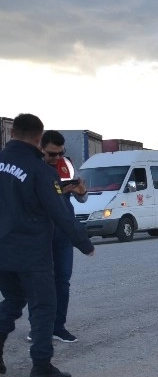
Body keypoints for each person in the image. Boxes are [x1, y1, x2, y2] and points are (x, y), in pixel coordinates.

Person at [0, 114, 95, 377]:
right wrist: (84, 243)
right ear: (39, 137)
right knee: (43, 306)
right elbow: (59, 212)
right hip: (31, 250)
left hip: (2, 249)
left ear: (13, 132)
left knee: (14, 300)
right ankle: (41, 366)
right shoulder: (41, 170)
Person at [35, 130, 89, 344]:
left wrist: (81, 191)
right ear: (41, 148)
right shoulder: (33, 168)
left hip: (63, 232)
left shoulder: (65, 165)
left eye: (60, 153)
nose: (56, 158)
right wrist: (59, 193)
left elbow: (82, 200)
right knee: (40, 282)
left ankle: (58, 327)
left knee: (62, 281)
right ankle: (38, 328)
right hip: (41, 233)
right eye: (51, 154)